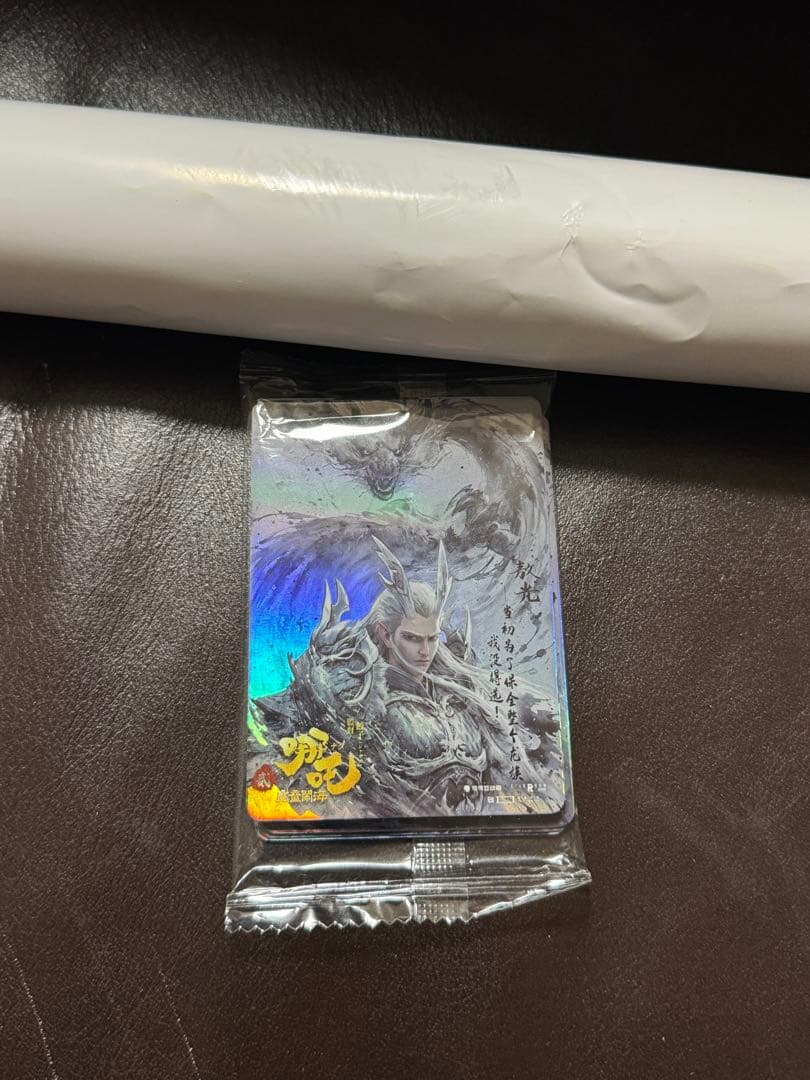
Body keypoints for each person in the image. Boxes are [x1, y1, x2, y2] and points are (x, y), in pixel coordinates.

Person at [251, 536, 562, 818]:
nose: (425, 651)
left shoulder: (459, 694)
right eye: (412, 638)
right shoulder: (359, 696)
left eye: (432, 638)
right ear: (386, 634)